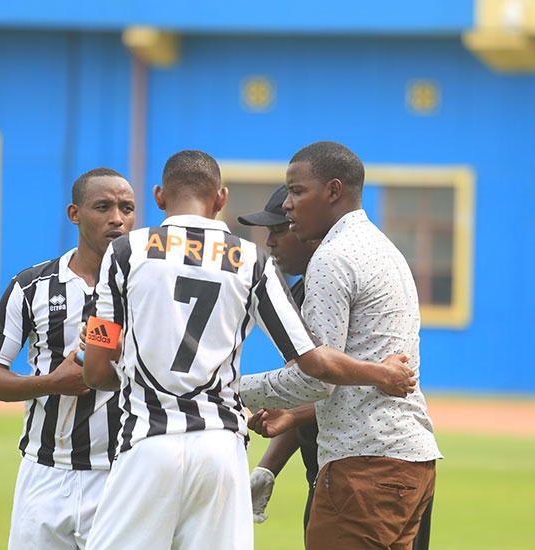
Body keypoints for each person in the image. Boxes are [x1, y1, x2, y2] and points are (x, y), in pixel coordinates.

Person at [80, 149, 418, 550]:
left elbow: (96, 368)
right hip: (220, 450)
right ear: (220, 198)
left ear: (159, 196)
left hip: (148, 442)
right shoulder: (253, 260)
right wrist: (382, 373)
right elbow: (314, 361)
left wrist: (126, 366)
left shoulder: (125, 251)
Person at [240, 141, 442, 550]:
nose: (288, 206)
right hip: (410, 462)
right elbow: (350, 379)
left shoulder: (332, 258)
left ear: (334, 191)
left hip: (363, 469)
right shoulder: (382, 247)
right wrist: (290, 421)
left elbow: (316, 378)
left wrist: (221, 386)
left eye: (297, 192)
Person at [0, 167, 136, 549]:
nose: (117, 218)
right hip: (44, 473)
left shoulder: (148, 288)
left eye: (127, 208)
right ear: (74, 214)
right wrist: (52, 383)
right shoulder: (32, 286)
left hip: (123, 474)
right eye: (103, 207)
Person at [236, 185, 320, 530]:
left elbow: (355, 388)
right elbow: (307, 391)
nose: (269, 242)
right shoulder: (300, 289)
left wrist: (222, 389)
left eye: (279, 230)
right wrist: (267, 470)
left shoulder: (336, 281)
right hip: (327, 476)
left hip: (365, 474)